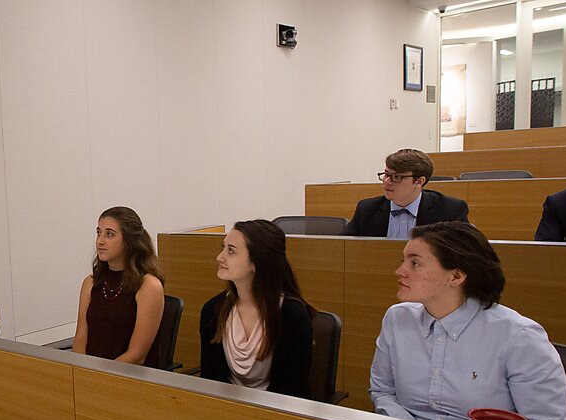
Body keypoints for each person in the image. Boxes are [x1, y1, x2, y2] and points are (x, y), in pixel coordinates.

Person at [369, 221, 566, 420]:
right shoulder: (397, 319)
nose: (400, 271)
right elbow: (383, 391)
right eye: (403, 260)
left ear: (456, 276)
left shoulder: (519, 337)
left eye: (414, 263)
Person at [198, 220, 314, 397]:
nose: (220, 257)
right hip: (225, 412)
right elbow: (211, 380)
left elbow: (292, 389)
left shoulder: (292, 315)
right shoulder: (213, 310)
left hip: (277, 415)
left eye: (231, 251)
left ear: (256, 262)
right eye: (223, 248)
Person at [73, 206, 165, 367]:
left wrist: (100, 376)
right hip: (92, 375)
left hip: (129, 378)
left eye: (109, 234)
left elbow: (137, 355)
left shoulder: (149, 286)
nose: (100, 240)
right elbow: (80, 338)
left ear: (130, 240)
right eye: (98, 232)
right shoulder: (91, 283)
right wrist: (82, 371)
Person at [342, 149, 470, 238]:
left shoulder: (450, 210)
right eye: (386, 174)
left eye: (397, 177)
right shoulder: (367, 209)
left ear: (419, 182)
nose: (387, 181)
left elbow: (465, 252)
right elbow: (345, 248)